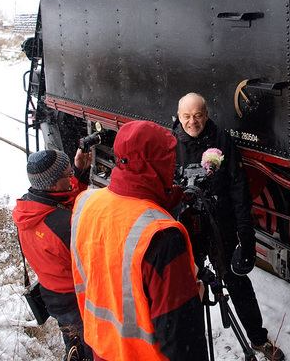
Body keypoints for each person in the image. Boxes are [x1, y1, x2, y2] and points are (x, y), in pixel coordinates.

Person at [70, 120, 207, 361]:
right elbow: (182, 340)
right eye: (168, 159)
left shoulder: (85, 203)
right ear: (156, 165)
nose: (173, 164)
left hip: (102, 347)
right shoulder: (161, 236)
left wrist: (174, 195)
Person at [174, 92, 285, 361]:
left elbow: (239, 189)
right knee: (186, 287)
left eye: (198, 116)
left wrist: (245, 235)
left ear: (206, 114)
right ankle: (187, 348)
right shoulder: (170, 143)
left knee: (237, 283)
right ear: (178, 117)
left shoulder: (221, 139)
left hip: (218, 225)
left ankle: (258, 338)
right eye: (187, 117)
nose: (192, 122)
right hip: (186, 227)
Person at [13, 148, 94, 361]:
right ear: (51, 184)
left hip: (53, 295)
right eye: (67, 175)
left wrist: (79, 172)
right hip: (75, 299)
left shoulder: (30, 205)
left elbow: (65, 200)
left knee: (73, 341)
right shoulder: (61, 226)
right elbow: (95, 264)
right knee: (90, 348)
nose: (71, 179)